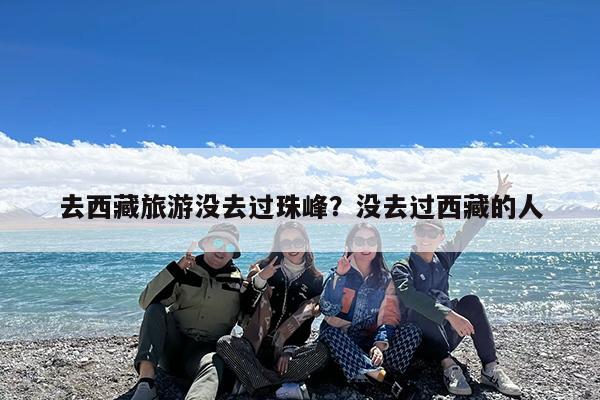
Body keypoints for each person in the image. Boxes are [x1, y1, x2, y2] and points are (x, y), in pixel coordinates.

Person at [391, 171, 522, 396]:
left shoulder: (443, 257)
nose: (426, 237)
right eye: (421, 232)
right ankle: (448, 366)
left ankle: (490, 368)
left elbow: (470, 228)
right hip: (421, 342)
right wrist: (450, 314)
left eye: (432, 233)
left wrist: (495, 199)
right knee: (423, 306)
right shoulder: (402, 267)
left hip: (446, 333)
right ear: (415, 234)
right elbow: (410, 298)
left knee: (471, 302)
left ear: (441, 237)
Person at [131, 223, 246, 400]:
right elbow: (145, 302)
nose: (221, 251)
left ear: (233, 254)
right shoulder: (185, 271)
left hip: (202, 355)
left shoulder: (239, 283)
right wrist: (176, 269)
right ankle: (146, 383)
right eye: (217, 243)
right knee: (155, 308)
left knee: (213, 362)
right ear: (206, 244)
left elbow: (247, 322)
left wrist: (259, 287)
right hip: (171, 350)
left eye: (229, 247)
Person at [217, 221, 328, 400]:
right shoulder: (263, 267)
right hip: (254, 346)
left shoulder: (316, 279)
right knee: (225, 343)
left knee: (321, 352)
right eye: (286, 242)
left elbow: (306, 323)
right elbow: (245, 307)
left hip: (285, 351)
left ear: (306, 243)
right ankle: (278, 387)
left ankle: (255, 381)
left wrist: (289, 351)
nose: (292, 247)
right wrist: (261, 279)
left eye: (297, 241)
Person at [318, 223, 422, 398]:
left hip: (370, 342)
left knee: (412, 331)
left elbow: (389, 316)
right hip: (343, 343)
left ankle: (366, 375)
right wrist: (339, 276)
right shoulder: (337, 274)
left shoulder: (386, 279)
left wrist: (379, 346)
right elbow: (327, 309)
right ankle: (384, 379)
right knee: (329, 333)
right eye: (359, 241)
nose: (365, 246)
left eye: (371, 241)